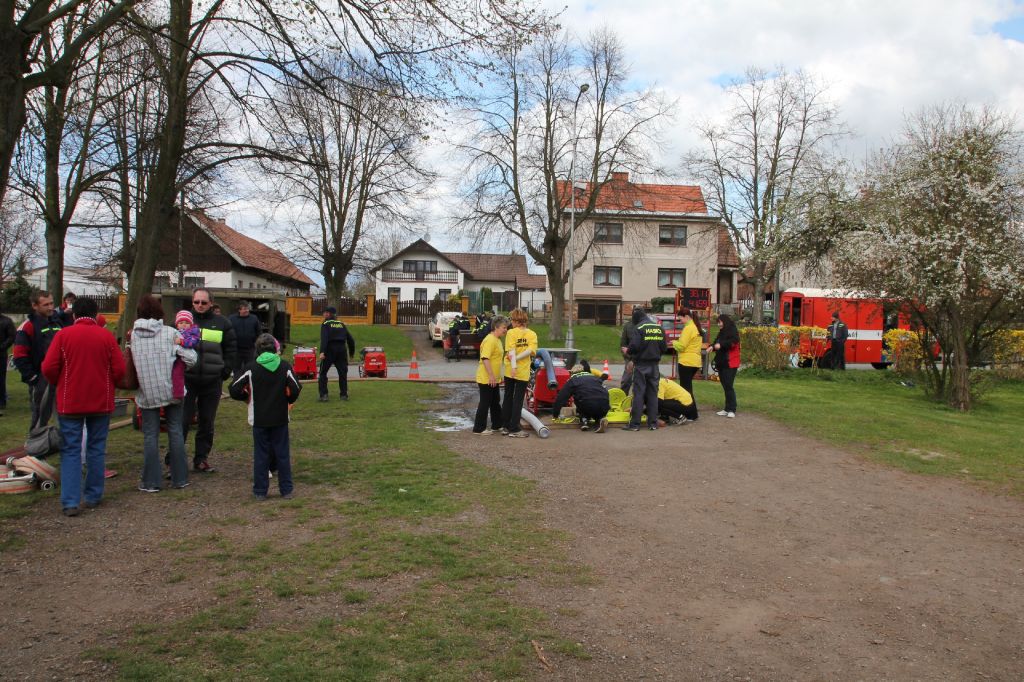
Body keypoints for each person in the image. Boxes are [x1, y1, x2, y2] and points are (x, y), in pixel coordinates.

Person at [41, 297, 125, 517]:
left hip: (70, 401)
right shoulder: (106, 336)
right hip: (100, 401)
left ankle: (70, 501)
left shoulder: (63, 335)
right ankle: (93, 495)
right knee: (96, 448)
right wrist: (110, 382)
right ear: (96, 314)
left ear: (74, 315)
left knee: (71, 450)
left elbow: (48, 367)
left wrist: (60, 381)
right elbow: (119, 369)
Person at [132, 295, 197, 492]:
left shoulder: (132, 335)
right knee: (175, 431)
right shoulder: (170, 333)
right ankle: (180, 478)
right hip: (172, 390)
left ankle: (151, 482)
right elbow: (191, 358)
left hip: (146, 391)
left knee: (150, 435)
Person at [229, 333, 302, 500]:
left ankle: (260, 491)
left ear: (257, 350)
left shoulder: (251, 368)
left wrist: (246, 397)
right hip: (280, 417)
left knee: (261, 455)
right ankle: (286, 490)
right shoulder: (284, 366)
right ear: (275, 348)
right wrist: (289, 399)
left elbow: (233, 388)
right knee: (282, 454)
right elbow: (296, 387)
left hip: (259, 418)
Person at [183, 288, 237, 473]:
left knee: (206, 422)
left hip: (212, 380)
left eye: (203, 302)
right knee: (182, 421)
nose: (199, 305)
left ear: (211, 303)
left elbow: (231, 349)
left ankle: (201, 458)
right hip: (187, 379)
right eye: (196, 302)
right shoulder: (183, 321)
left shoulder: (223, 323)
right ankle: (174, 460)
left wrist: (225, 371)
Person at [13, 290, 64, 433]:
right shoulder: (27, 326)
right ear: (35, 306)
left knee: (63, 413)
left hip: (60, 377)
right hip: (40, 378)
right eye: (45, 305)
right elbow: (19, 355)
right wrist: (32, 378)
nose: (50, 307)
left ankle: (62, 440)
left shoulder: (57, 322)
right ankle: (35, 441)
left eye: (51, 303)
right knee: (41, 414)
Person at [622, 308, 667, 431]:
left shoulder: (639, 328)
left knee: (639, 393)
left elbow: (634, 346)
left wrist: (628, 351)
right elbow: (664, 348)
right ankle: (653, 424)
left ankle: (634, 424)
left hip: (641, 365)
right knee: (653, 394)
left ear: (636, 318)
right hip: (655, 366)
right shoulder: (659, 328)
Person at [501, 308, 537, 438]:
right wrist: (517, 361)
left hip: (510, 369)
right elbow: (530, 351)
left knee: (508, 397)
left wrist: (513, 365)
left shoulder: (511, 333)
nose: (511, 322)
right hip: (522, 371)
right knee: (518, 399)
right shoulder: (532, 334)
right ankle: (514, 429)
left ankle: (505, 426)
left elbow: (511, 351)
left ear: (516, 321)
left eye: (512, 320)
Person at [472, 315, 508, 435]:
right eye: (504, 327)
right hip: (486, 378)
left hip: (494, 378)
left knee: (495, 401)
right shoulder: (490, 340)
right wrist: (491, 376)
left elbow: (496, 359)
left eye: (506, 327)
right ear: (496, 327)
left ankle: (497, 425)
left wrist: (498, 377)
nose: (505, 330)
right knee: (485, 402)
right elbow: (485, 358)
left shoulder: (497, 340)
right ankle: (479, 428)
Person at [551, 364, 611, 433]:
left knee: (582, 401)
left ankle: (584, 420)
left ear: (572, 372)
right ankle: (599, 419)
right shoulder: (594, 378)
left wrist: (555, 414)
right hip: (604, 405)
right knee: (595, 407)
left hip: (587, 405)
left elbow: (561, 398)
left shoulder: (573, 380)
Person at [672, 309, 703, 419]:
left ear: (686, 316)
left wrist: (674, 342)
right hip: (695, 362)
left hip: (686, 362)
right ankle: (692, 413)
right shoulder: (695, 327)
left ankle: (691, 414)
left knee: (685, 390)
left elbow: (681, 346)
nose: (680, 321)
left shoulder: (688, 328)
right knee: (687, 388)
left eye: (680, 318)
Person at [318, 306, 355, 401]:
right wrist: (351, 353)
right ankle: (344, 395)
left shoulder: (325, 324)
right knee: (342, 373)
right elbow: (351, 340)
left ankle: (324, 395)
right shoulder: (341, 324)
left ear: (329, 314)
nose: (324, 314)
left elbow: (324, 339)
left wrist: (322, 352)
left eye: (326, 312)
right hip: (342, 350)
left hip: (329, 349)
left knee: (323, 372)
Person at [711, 313, 741, 418]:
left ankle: (732, 409)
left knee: (728, 386)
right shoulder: (721, 332)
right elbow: (716, 342)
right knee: (725, 386)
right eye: (718, 322)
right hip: (722, 362)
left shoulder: (733, 331)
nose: (718, 324)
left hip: (730, 362)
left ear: (725, 321)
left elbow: (732, 343)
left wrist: (721, 345)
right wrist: (712, 347)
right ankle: (727, 408)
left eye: (719, 322)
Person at [172, 310, 201, 400]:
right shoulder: (174, 331)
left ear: (191, 324)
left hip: (184, 358)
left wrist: (181, 341)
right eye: (181, 323)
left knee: (178, 373)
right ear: (177, 325)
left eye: (186, 323)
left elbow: (192, 342)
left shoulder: (193, 332)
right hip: (174, 356)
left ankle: (178, 393)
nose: (184, 325)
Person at [229, 300, 261, 375]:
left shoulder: (254, 318)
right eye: (244, 309)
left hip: (250, 349)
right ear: (239, 310)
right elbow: (228, 332)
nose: (247, 310)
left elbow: (259, 332)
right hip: (236, 349)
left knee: (250, 368)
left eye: (247, 308)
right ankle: (237, 380)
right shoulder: (231, 318)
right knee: (236, 369)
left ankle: (249, 381)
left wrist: (257, 343)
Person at [0, 306, 15, 415]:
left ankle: (1, 401)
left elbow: (11, 337)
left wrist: (2, 347)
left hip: (1, 354)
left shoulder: (6, 321)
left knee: (1, 378)